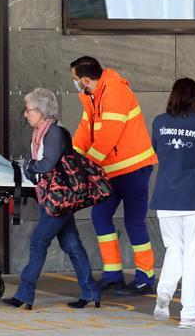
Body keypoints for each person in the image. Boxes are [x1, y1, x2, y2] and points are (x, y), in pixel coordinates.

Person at [1, 88, 100, 310]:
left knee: (38, 242)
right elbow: (36, 164)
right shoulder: (42, 132)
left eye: (28, 110)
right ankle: (91, 291)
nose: (25, 115)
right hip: (54, 198)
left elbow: (46, 165)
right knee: (72, 244)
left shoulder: (54, 133)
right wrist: (29, 166)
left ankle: (25, 294)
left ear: (41, 111)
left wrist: (28, 166)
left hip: (58, 199)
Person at [69, 56, 158, 295]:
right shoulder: (91, 95)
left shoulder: (115, 91)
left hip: (133, 168)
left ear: (85, 79)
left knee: (133, 221)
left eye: (76, 80)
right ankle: (112, 274)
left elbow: (108, 136)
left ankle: (146, 277)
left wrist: (86, 165)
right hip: (111, 170)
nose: (75, 84)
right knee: (100, 217)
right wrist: (72, 156)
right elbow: (84, 131)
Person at [150, 78, 195, 329]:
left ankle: (165, 292)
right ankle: (190, 314)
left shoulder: (160, 122)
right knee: (193, 254)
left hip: (166, 197)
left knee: (174, 249)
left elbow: (156, 150)